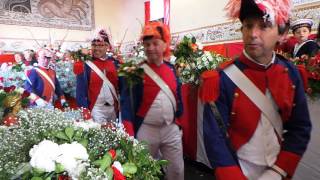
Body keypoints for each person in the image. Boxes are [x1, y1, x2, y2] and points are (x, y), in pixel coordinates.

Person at [200, 0, 312, 179]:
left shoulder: (291, 73)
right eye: (248, 26)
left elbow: (300, 128)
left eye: (264, 26)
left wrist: (279, 171)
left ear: (281, 33)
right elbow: (214, 138)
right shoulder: (222, 78)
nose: (253, 34)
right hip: (238, 171)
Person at [120, 22, 184, 180]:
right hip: (146, 130)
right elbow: (126, 103)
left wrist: (179, 120)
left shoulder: (171, 69)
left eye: (155, 43)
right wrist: (129, 131)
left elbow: (178, 96)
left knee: (176, 170)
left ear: (164, 45)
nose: (150, 48)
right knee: (143, 170)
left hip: (171, 128)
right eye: (147, 44)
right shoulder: (136, 72)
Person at [73, 28, 119, 124]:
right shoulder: (86, 64)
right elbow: (80, 90)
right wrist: (84, 111)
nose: (96, 48)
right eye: (94, 45)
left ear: (107, 46)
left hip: (113, 109)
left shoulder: (115, 63)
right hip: (96, 109)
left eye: (100, 45)